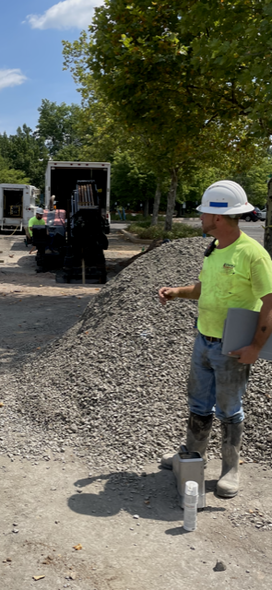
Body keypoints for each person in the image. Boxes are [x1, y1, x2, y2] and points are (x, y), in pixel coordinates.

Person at [158, 180, 272, 498]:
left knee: (229, 409)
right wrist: (176, 292)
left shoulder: (253, 254)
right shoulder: (215, 249)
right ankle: (192, 456)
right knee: (198, 402)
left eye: (205, 212)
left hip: (233, 348)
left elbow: (270, 302)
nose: (202, 218)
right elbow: (204, 289)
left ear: (218, 217)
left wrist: (256, 347)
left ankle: (230, 469)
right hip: (203, 340)